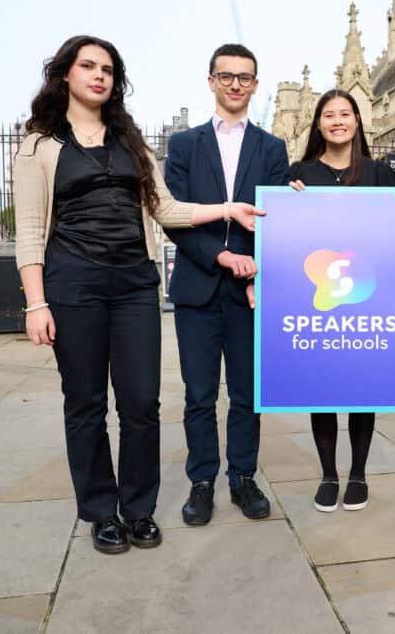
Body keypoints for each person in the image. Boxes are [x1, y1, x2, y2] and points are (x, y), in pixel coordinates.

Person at [14, 35, 264, 555]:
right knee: (85, 403)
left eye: (107, 69)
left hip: (133, 285)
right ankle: (101, 512)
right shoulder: (39, 144)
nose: (99, 76)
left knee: (141, 403)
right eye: (88, 66)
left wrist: (226, 209)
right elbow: (31, 229)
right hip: (73, 284)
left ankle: (138, 509)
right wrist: (36, 302)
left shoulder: (131, 142)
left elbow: (167, 209)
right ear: (66, 75)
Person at [163, 44, 289, 526]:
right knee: (198, 395)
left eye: (245, 77)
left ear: (255, 85)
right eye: (226, 75)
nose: (236, 84)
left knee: (247, 395)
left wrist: (252, 263)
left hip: (251, 292)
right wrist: (220, 255)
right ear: (211, 80)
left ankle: (242, 478)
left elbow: (279, 217)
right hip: (198, 287)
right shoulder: (184, 145)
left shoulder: (273, 148)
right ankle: (201, 482)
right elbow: (174, 217)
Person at [287, 89, 395, 512]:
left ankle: (357, 473)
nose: (337, 121)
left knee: (361, 390)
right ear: (317, 125)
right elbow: (285, 236)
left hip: (367, 301)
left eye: (345, 114)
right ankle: (328, 475)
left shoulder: (381, 174)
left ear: (357, 120)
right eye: (329, 115)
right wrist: (288, 201)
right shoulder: (297, 175)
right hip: (317, 301)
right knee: (322, 389)